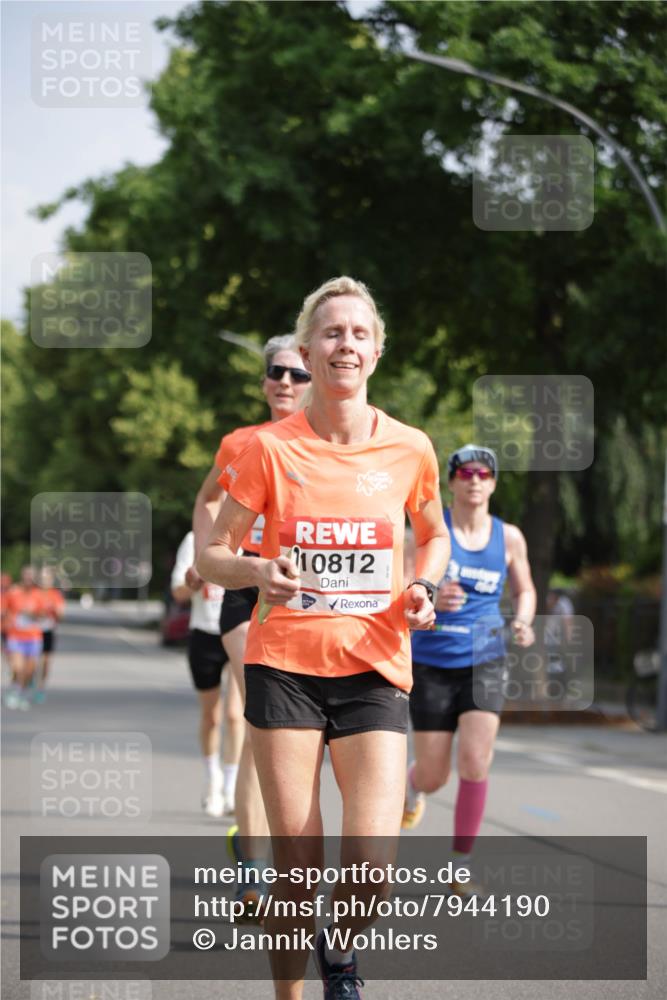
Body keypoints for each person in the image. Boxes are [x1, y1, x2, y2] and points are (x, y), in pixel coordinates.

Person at [198, 276, 449, 1000]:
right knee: (297, 871)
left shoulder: (409, 448)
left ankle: (338, 952)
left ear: (376, 350)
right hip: (285, 666)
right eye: (331, 333)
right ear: (308, 351)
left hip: (373, 664)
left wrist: (422, 587)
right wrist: (254, 569)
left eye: (359, 333)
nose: (346, 344)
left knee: (371, 866)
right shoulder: (269, 448)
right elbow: (215, 550)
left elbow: (431, 537)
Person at [192, 335, 312, 915]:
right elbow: (208, 500)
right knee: (258, 713)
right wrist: (212, 559)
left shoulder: (332, 444)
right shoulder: (241, 443)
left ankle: (261, 849)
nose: (285, 382)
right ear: (264, 382)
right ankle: (253, 876)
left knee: (292, 735)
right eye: (276, 372)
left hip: (315, 603)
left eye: (297, 373)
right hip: (248, 595)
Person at [403, 444, 536, 897]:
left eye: (483, 473)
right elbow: (400, 589)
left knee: (476, 762)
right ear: (453, 480)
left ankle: (460, 867)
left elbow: (526, 591)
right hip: (432, 662)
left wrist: (521, 621)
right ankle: (413, 785)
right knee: (435, 774)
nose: (474, 479)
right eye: (465, 472)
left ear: (493, 483)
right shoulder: (429, 529)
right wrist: (428, 597)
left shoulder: (510, 537)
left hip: (486, 660)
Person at [171, 530, 243, 817]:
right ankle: (212, 777)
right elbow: (178, 592)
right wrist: (195, 581)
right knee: (211, 715)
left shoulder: (250, 535)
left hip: (238, 632)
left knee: (236, 715)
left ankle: (230, 785)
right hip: (205, 634)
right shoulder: (195, 539)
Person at [2, 566, 45, 710]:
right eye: (26, 575)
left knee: (29, 671)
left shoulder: (38, 594)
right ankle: (15, 693)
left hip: (33, 637)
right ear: (22, 576)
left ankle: (20, 691)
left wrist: (32, 615)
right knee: (18, 668)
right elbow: (4, 609)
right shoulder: (13, 592)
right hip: (15, 636)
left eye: (31, 576)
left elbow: (44, 615)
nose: (28, 578)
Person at [33, 567, 65, 704]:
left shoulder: (55, 595)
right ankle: (30, 679)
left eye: (47, 578)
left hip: (48, 631)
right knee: (33, 661)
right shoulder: (34, 593)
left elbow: (62, 615)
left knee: (46, 662)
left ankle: (41, 687)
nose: (45, 581)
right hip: (33, 631)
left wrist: (56, 612)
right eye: (42, 578)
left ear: (51, 580)